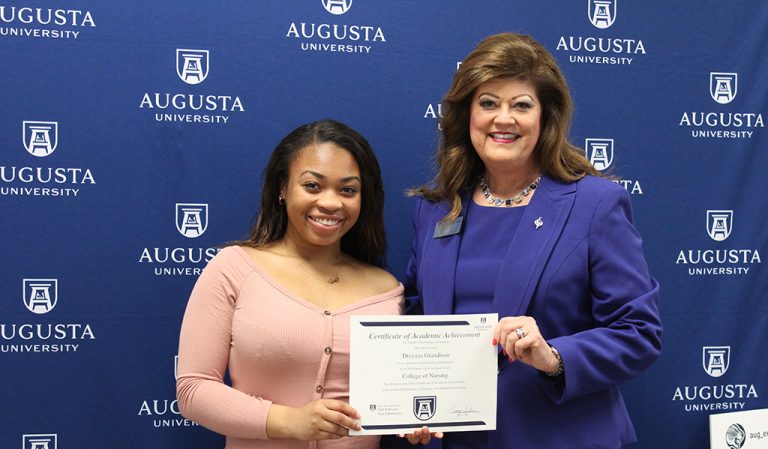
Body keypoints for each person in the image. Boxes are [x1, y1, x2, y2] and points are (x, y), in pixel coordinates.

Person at [393, 33, 662, 448]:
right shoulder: (436, 208)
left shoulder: (595, 204)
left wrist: (553, 356)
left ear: (545, 118)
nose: (504, 119)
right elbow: (415, 313)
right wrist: (406, 400)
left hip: (560, 437)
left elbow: (638, 332)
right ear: (467, 115)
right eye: (488, 103)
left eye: (521, 105)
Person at [176, 119, 404, 449]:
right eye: (313, 186)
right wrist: (288, 421)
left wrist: (417, 421)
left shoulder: (388, 291)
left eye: (348, 190)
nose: (330, 202)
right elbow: (193, 390)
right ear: (283, 188)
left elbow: (400, 394)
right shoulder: (235, 269)